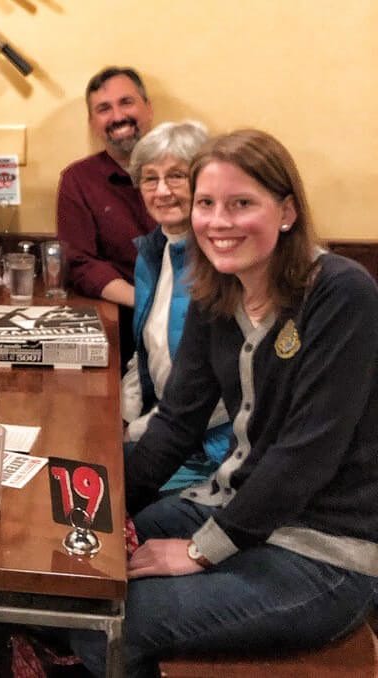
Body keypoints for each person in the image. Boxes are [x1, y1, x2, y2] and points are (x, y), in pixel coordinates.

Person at [69, 130, 378, 676]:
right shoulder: (218, 289)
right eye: (206, 204)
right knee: (84, 561)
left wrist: (199, 552)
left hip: (325, 552)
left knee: (109, 624)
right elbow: (175, 422)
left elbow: (304, 456)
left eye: (242, 204)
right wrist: (106, 509)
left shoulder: (341, 293)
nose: (218, 222)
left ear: (286, 212)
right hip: (238, 508)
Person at [121, 121, 232, 493]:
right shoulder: (154, 250)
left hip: (211, 447)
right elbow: (145, 352)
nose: (162, 191)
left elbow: (217, 391)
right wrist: (119, 418)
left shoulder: (221, 263)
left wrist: (134, 431)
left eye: (176, 176)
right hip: (166, 429)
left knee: (106, 500)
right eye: (150, 179)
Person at [56, 66, 157, 367]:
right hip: (120, 325)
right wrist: (148, 301)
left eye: (126, 102)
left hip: (192, 320)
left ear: (148, 108)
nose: (117, 116)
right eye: (103, 109)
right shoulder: (78, 180)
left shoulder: (187, 168)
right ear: (92, 123)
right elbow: (80, 264)